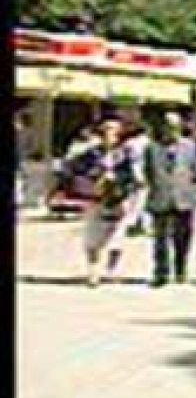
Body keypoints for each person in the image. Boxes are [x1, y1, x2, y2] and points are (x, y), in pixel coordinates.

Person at [146, 110, 196, 286]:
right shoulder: (152, 148)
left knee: (183, 237)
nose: (171, 130)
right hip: (161, 197)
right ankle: (161, 273)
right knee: (160, 239)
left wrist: (195, 194)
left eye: (174, 126)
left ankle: (181, 269)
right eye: (167, 126)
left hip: (185, 198)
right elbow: (148, 172)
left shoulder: (191, 147)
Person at [82, 119, 138, 287]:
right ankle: (93, 271)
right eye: (106, 130)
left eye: (114, 131)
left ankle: (112, 270)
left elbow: (131, 176)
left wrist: (119, 181)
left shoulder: (125, 154)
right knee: (92, 237)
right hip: (96, 199)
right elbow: (77, 169)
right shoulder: (91, 153)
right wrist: (95, 176)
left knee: (117, 237)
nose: (110, 134)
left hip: (118, 199)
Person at [122, 120, 152, 236]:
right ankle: (142, 225)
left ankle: (132, 224)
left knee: (134, 201)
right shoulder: (148, 143)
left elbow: (129, 161)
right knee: (143, 201)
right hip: (145, 174)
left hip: (133, 174)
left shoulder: (129, 143)